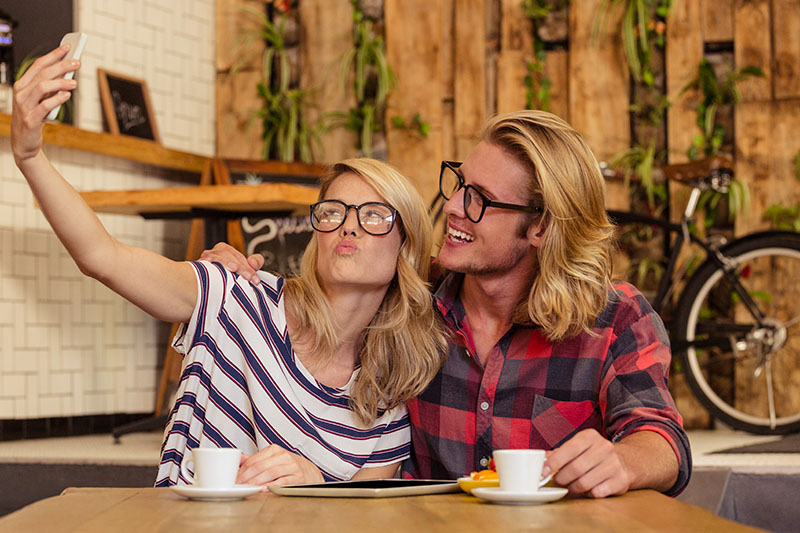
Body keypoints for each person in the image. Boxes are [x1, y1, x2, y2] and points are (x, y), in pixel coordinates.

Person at [11, 44, 447, 487]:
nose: (348, 226)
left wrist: (315, 482)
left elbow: (368, 520)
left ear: (406, 250)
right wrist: (30, 157)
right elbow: (102, 257)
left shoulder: (385, 400)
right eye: (333, 211)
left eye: (374, 215)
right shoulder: (237, 296)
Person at [201, 110, 692, 498]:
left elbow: (661, 439)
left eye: (479, 198)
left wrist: (623, 462)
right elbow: (326, 290)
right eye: (458, 183)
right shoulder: (411, 299)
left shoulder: (613, 317)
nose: (454, 207)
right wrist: (241, 276)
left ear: (541, 227)